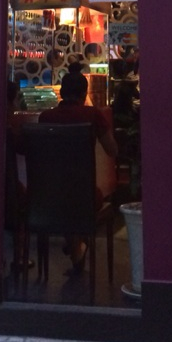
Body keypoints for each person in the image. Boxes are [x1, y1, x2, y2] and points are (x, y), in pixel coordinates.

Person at [38, 64, 117, 274]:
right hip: (85, 196)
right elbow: (112, 150)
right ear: (84, 93)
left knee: (64, 196)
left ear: (62, 92)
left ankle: (77, 249)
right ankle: (77, 247)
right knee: (78, 196)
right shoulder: (92, 115)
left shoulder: (45, 117)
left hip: (49, 196)